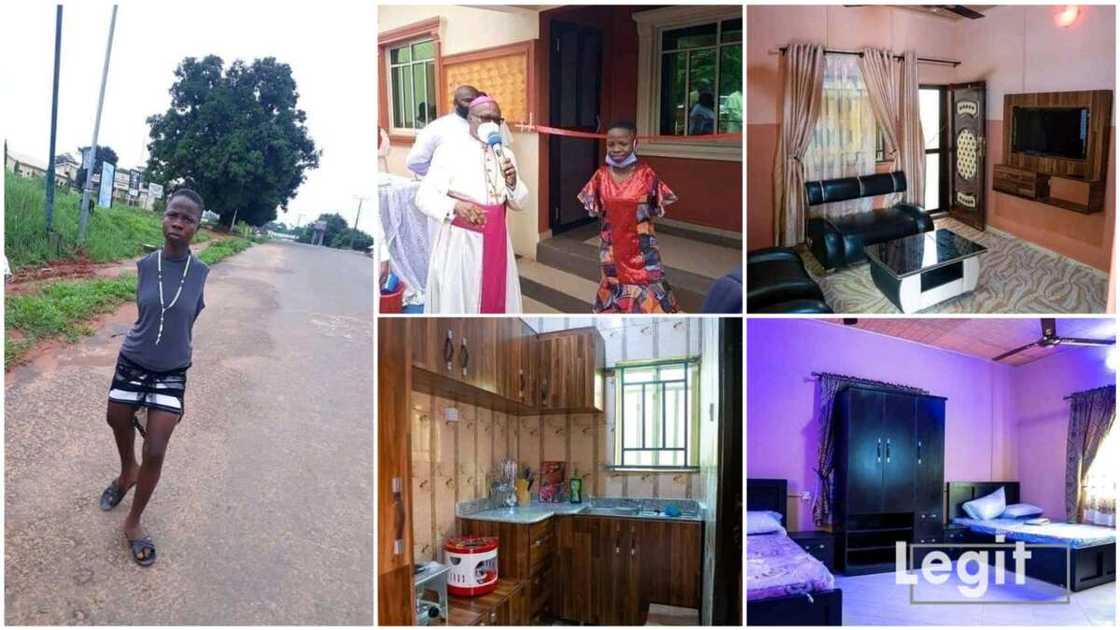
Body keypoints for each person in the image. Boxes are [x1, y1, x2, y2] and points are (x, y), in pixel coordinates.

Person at [98, 189, 210, 566]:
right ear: (163, 218)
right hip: (133, 359)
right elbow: (146, 314)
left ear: (197, 226)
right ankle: (126, 470)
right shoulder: (146, 265)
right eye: (172, 215)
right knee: (116, 417)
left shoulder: (200, 273)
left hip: (171, 370)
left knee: (157, 449)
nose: (178, 223)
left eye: (187, 219)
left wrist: (170, 352)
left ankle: (133, 522)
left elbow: (188, 319)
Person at [415, 95, 527, 313]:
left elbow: (519, 202)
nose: (492, 124)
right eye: (485, 118)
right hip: (462, 243)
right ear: (470, 119)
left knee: (500, 300)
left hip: (498, 241)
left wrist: (512, 183)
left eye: (497, 119)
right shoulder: (450, 152)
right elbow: (424, 196)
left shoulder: (506, 154)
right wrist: (455, 205)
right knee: (461, 302)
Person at [578, 121, 680, 313]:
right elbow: (596, 210)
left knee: (649, 297)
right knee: (613, 289)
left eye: (623, 144)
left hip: (643, 251)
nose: (616, 149)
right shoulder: (600, 176)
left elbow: (655, 210)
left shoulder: (646, 175)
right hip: (611, 251)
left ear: (634, 143)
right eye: (611, 144)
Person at [406, 86, 515, 177]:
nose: (471, 103)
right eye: (467, 100)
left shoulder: (490, 125)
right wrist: (443, 179)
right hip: (450, 196)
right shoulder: (436, 128)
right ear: (455, 103)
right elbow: (415, 162)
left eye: (474, 100)